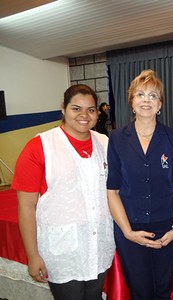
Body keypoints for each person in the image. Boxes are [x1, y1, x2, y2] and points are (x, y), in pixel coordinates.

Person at [12, 84, 115, 300]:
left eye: (91, 109)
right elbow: (26, 207)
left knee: (95, 297)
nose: (84, 115)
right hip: (62, 251)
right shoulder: (40, 146)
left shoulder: (105, 143)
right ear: (63, 109)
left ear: (98, 112)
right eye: (76, 109)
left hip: (99, 244)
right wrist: (33, 255)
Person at [106, 69, 173, 299]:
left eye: (153, 96)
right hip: (130, 228)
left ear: (160, 104)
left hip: (165, 229)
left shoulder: (172, 138)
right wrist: (128, 232)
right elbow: (112, 191)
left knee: (163, 290)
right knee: (140, 291)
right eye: (140, 94)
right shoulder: (117, 139)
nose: (146, 100)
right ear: (131, 101)